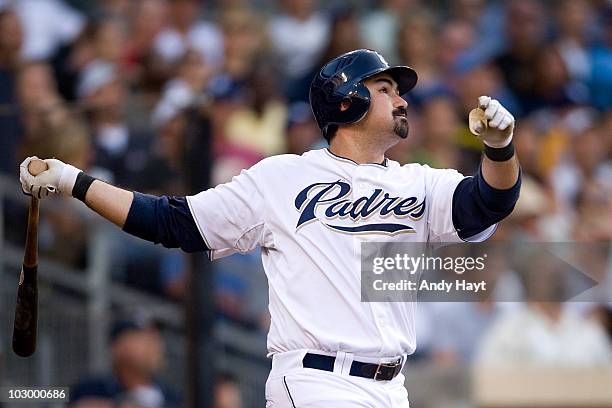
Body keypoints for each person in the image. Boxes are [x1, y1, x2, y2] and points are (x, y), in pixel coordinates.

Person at [20, 49, 520, 407]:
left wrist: (500, 148)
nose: (402, 100)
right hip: (317, 381)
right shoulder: (283, 178)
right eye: (385, 88)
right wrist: (72, 179)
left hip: (392, 388)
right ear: (347, 100)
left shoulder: (421, 183)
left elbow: (489, 202)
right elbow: (171, 221)